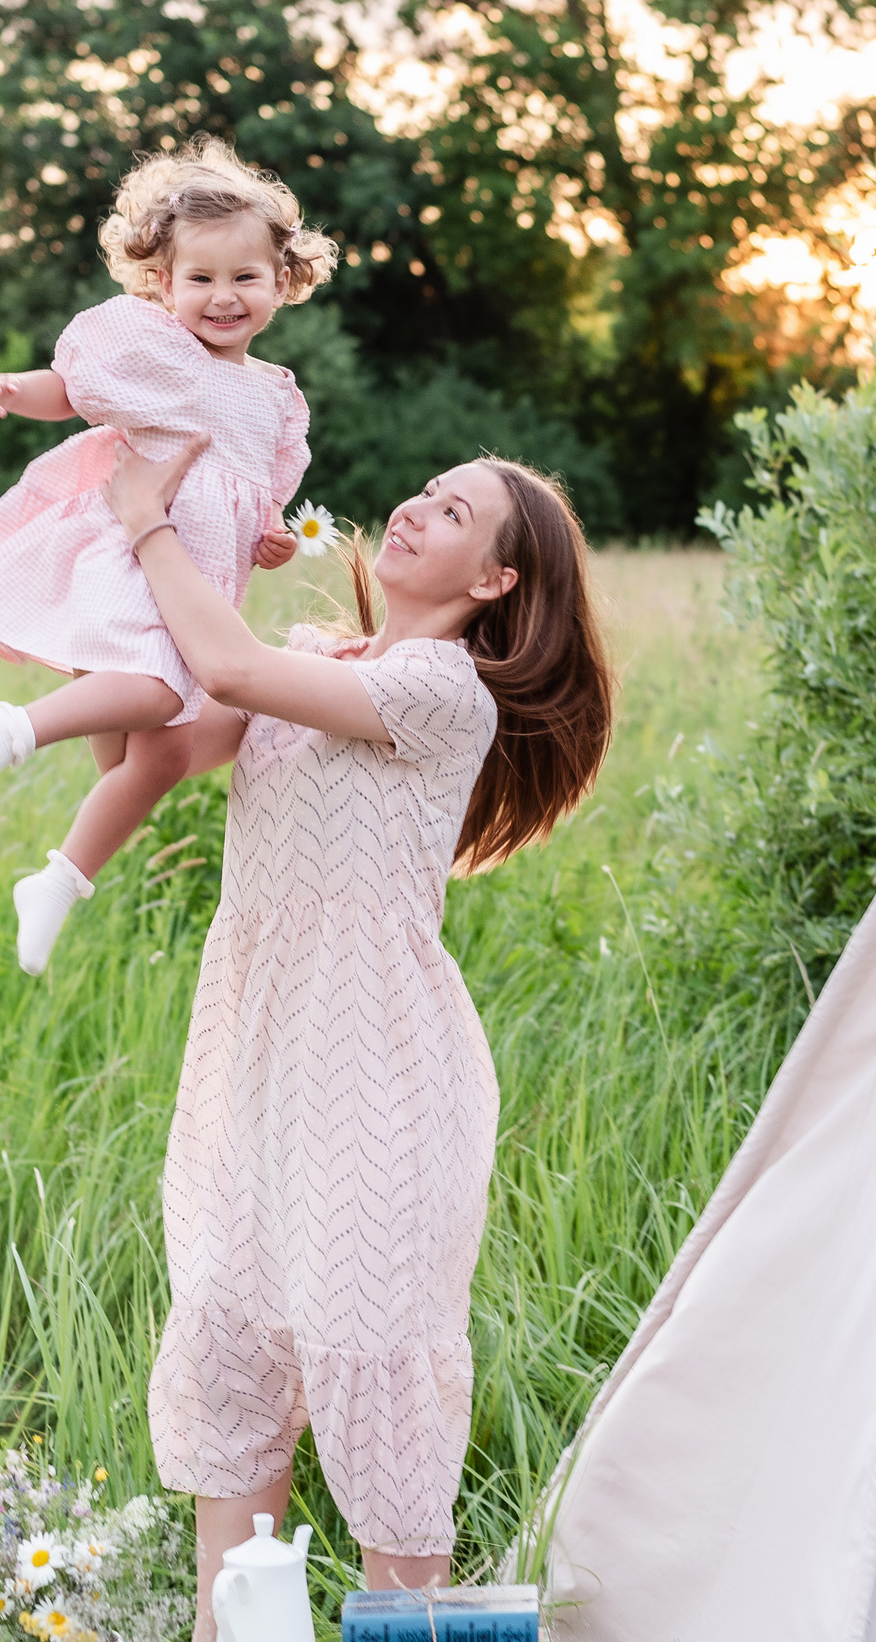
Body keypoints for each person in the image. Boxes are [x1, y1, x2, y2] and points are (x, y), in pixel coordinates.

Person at [99, 433, 615, 1639]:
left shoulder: (443, 692)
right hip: (255, 1056)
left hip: (378, 1067)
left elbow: (225, 664)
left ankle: (410, 1619)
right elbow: (167, 735)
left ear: (494, 581)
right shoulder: (320, 656)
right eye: (427, 493)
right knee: (230, 1339)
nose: (418, 511)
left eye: (454, 512)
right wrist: (188, 556)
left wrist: (148, 520)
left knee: (368, 1354)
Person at [0, 137, 338, 973]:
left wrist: (274, 541)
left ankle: (60, 881)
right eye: (200, 279)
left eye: (244, 278)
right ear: (162, 284)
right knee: (153, 693)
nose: (222, 297)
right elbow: (73, 391)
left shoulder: (279, 401)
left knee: (162, 755)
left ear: (282, 282)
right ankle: (13, 728)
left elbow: (256, 505)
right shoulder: (158, 355)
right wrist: (14, 390)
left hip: (199, 590)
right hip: (129, 566)